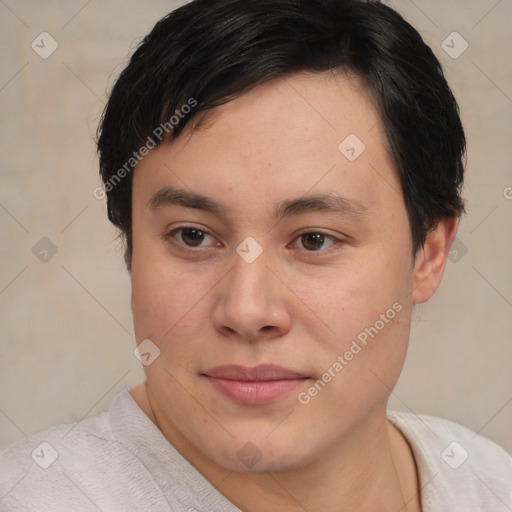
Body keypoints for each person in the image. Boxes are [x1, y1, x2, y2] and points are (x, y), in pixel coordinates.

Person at [1, 0, 511, 510]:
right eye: (193, 236)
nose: (247, 311)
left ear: (429, 253)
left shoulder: (490, 484)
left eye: (314, 240)